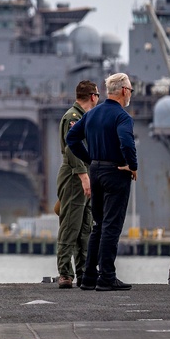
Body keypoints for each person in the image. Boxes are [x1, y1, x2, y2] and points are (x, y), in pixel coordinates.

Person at [65, 72, 138, 292]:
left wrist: (90, 159)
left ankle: (88, 277)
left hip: (95, 171)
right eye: (131, 90)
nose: (130, 94)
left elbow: (72, 139)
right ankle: (107, 276)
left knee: (98, 225)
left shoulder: (92, 114)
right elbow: (126, 142)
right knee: (111, 226)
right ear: (124, 91)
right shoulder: (123, 117)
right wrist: (132, 165)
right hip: (116, 173)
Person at [54, 80, 99, 288]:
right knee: (70, 226)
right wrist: (83, 176)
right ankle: (65, 273)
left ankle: (83, 272)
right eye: (97, 96)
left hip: (85, 174)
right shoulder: (73, 117)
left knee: (85, 227)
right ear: (93, 97)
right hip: (75, 176)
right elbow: (72, 149)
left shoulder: (85, 118)